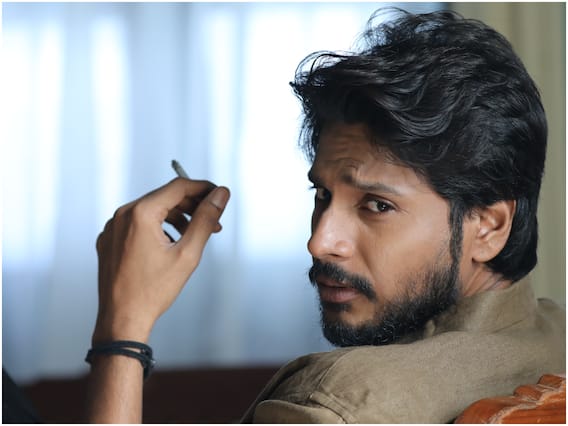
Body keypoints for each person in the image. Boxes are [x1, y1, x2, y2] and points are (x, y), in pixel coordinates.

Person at [85, 9, 565, 423]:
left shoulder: (336, 402)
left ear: (490, 227)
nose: (320, 242)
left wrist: (121, 333)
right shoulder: (557, 336)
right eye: (322, 194)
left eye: (377, 205)